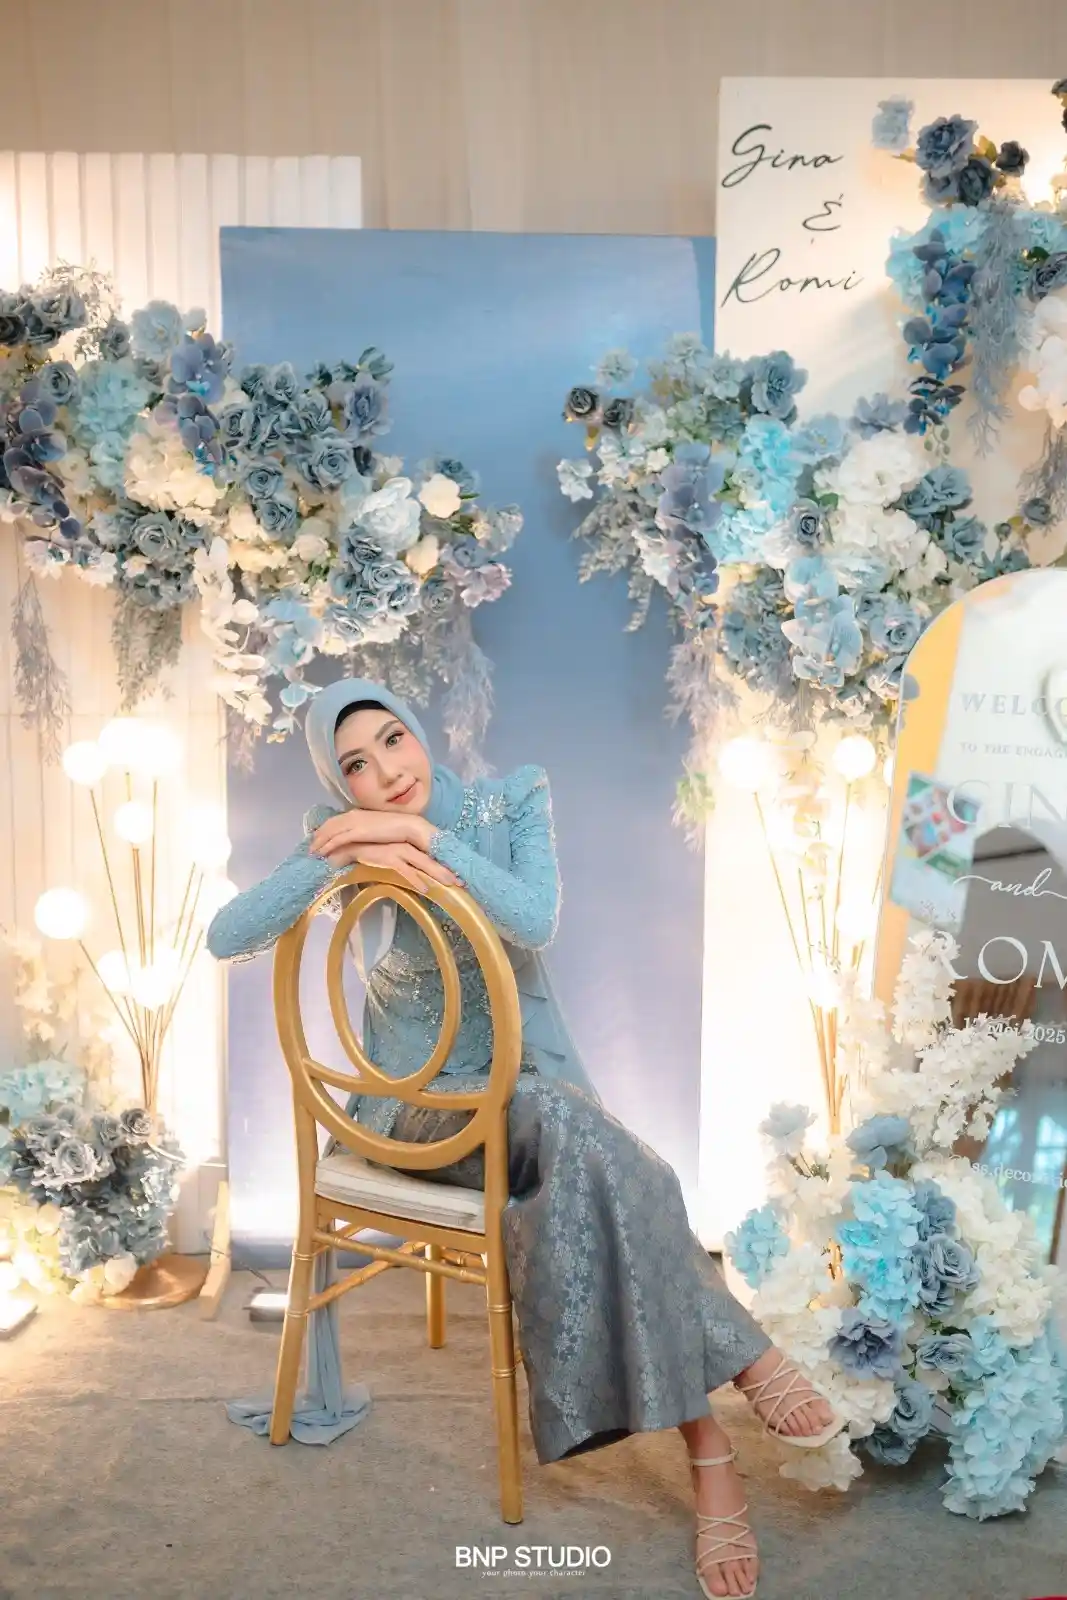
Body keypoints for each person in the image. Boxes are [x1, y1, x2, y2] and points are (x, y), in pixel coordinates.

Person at [207, 676, 844, 1600]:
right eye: (357, 765)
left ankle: (711, 1452)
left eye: (393, 740)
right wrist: (348, 842)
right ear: (338, 781)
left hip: (525, 1101)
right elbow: (228, 934)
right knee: (606, 1152)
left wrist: (423, 840)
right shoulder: (337, 829)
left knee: (616, 1171)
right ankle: (750, 1369)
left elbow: (532, 918)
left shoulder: (510, 803)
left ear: (418, 731)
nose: (386, 771)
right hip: (413, 1116)